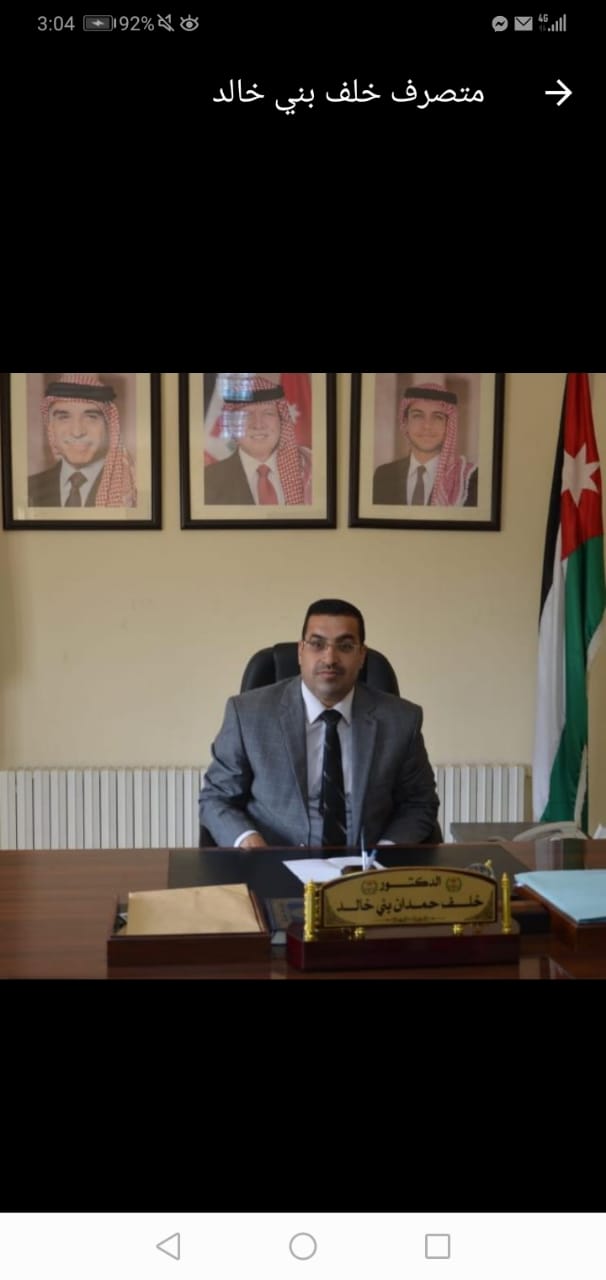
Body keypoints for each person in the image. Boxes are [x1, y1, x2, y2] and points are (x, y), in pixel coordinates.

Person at [199, 598, 440, 849]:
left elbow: (419, 803)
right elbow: (217, 798)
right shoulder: (248, 714)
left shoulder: (401, 720)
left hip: (367, 864)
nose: (330, 658)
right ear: (300, 651)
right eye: (317, 644)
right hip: (274, 859)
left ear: (361, 656)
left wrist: (386, 853)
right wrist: (249, 842)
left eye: (345, 646)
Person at [28, 373, 137, 508]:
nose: (77, 432)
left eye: (91, 417)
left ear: (109, 426)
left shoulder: (131, 491)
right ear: (51, 427)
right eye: (64, 417)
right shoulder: (29, 489)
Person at [204, 374, 312, 505]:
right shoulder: (207, 480)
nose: (258, 424)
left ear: (282, 421)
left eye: (268, 413)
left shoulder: (309, 471)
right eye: (246, 415)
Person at [373, 382, 478, 507]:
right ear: (405, 423)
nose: (427, 426)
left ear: (448, 426)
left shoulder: (467, 480)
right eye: (418, 416)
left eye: (437, 417)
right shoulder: (383, 475)